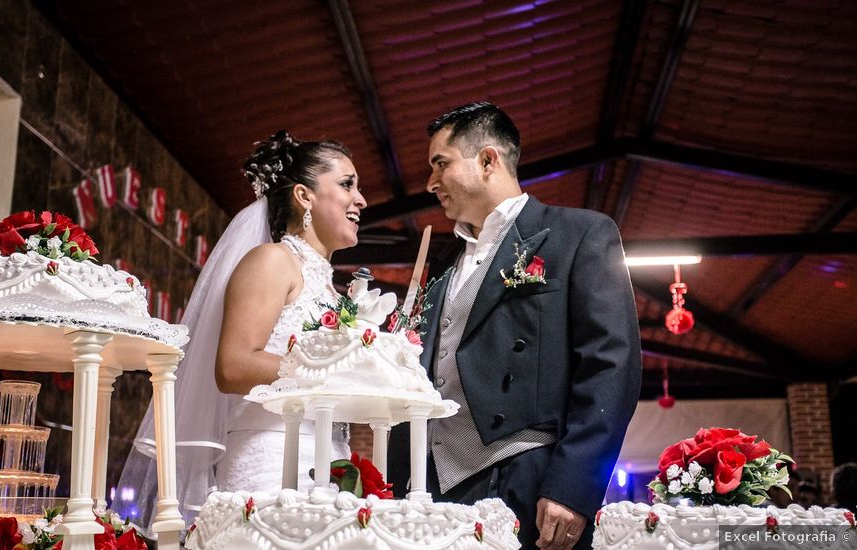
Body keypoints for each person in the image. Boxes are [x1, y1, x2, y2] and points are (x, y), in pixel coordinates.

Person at [387, 102, 641, 550]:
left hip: (524, 479)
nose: (430, 183)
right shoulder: (442, 265)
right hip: (427, 487)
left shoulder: (578, 234)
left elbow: (611, 366)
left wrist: (572, 485)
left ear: (488, 160)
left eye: (440, 164)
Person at [114, 131, 367, 526]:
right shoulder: (271, 261)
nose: (361, 200)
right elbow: (233, 366)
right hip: (271, 461)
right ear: (304, 196)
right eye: (347, 184)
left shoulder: (334, 293)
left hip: (332, 467)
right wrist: (330, 367)